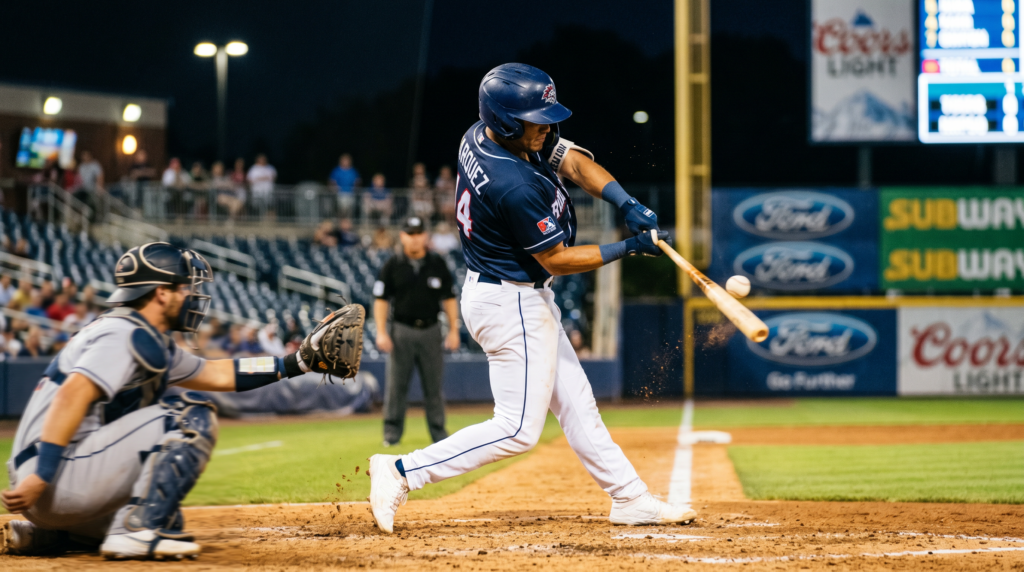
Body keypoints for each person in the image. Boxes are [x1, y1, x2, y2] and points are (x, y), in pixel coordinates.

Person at [366, 63, 688, 533]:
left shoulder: (484, 133)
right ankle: (401, 471)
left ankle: (630, 498)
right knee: (517, 430)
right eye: (535, 119)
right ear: (508, 122)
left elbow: (573, 161)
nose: (546, 127)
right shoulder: (511, 184)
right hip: (511, 301)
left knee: (577, 403)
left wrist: (625, 202)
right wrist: (627, 247)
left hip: (512, 296)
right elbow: (556, 260)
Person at [1, 242, 339, 559]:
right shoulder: (124, 333)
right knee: (189, 416)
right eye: (183, 287)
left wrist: (298, 362)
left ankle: (50, 535)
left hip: (57, 480)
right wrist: (42, 476)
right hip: (51, 475)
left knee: (165, 511)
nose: (191, 295)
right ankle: (135, 531)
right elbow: (71, 395)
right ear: (161, 293)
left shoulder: (138, 334)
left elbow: (217, 374)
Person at [373, 217, 460, 447]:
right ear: (402, 236)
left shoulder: (437, 263)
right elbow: (380, 300)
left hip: (431, 330)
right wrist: (381, 332)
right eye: (410, 233)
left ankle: (439, 434)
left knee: (434, 386)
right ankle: (391, 435)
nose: (414, 238)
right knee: (396, 387)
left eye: (418, 233)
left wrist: (454, 329)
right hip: (401, 331)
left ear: (425, 236)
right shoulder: (392, 264)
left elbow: (449, 298)